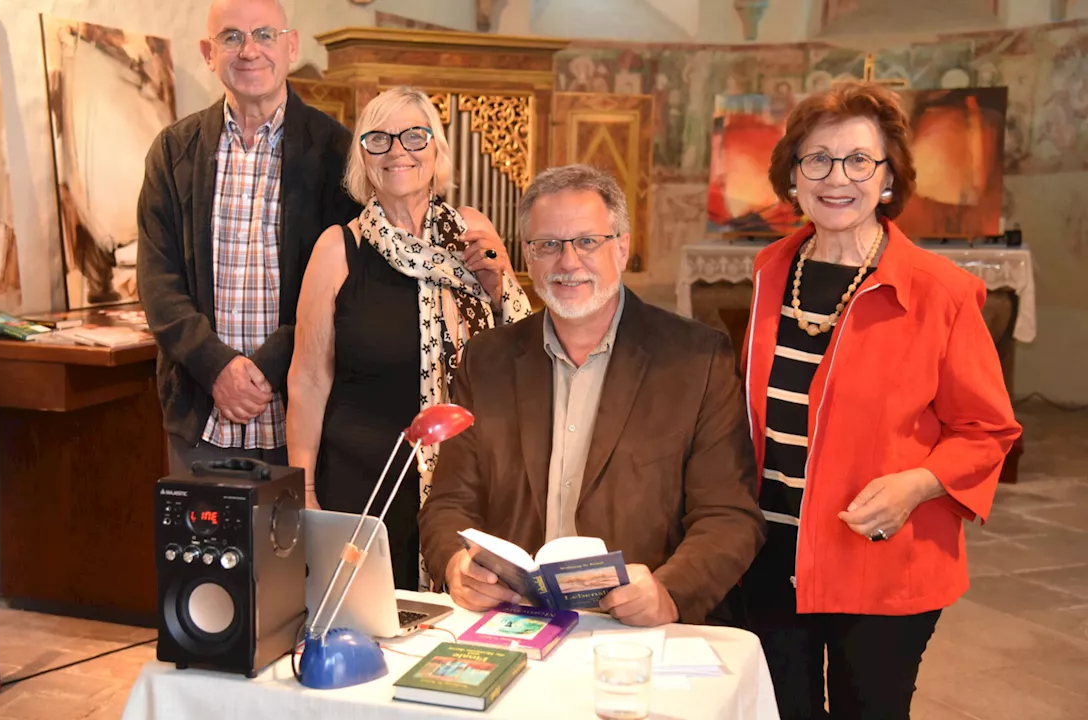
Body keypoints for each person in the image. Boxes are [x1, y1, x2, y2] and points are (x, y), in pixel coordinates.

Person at [741, 81, 1022, 719]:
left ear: (888, 177)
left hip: (880, 558)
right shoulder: (770, 270)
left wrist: (919, 483)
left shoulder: (940, 292)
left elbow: (987, 429)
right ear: (793, 176)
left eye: (859, 160)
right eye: (817, 158)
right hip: (770, 549)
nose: (837, 177)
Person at [418, 165, 764, 625]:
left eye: (587, 241)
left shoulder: (696, 360)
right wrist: (455, 564)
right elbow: (448, 502)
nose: (567, 262)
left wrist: (669, 591)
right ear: (528, 255)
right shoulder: (487, 361)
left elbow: (729, 515)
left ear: (621, 248)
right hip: (518, 620)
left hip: (636, 631)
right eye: (548, 245)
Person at [286, 87, 531, 591]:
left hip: (465, 481)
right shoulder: (338, 249)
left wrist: (500, 284)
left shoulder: (473, 231)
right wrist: (304, 491)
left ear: (437, 150)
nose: (398, 150)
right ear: (362, 158)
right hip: (364, 484)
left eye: (414, 136)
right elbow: (309, 380)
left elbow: (523, 348)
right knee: (371, 633)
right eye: (379, 139)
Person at [138, 0, 359, 473]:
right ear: (208, 52)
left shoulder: (337, 153)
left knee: (299, 550)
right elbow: (158, 282)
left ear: (291, 45)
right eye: (232, 37)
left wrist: (267, 367)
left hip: (302, 418)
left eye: (264, 34)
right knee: (201, 549)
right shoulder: (173, 151)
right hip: (201, 415)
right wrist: (216, 367)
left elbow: (347, 288)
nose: (249, 50)